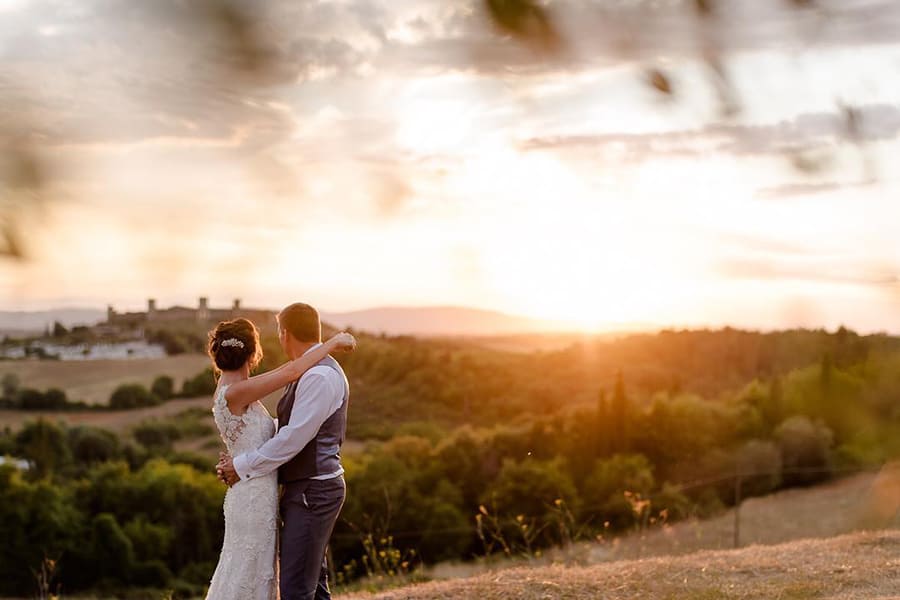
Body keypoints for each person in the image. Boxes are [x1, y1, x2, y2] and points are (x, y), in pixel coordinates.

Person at [205, 316, 354, 600]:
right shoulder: (238, 390)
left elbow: (261, 431)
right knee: (250, 571)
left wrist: (238, 461)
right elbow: (292, 371)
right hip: (253, 496)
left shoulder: (231, 389)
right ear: (253, 353)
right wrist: (332, 343)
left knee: (250, 570)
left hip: (254, 490)